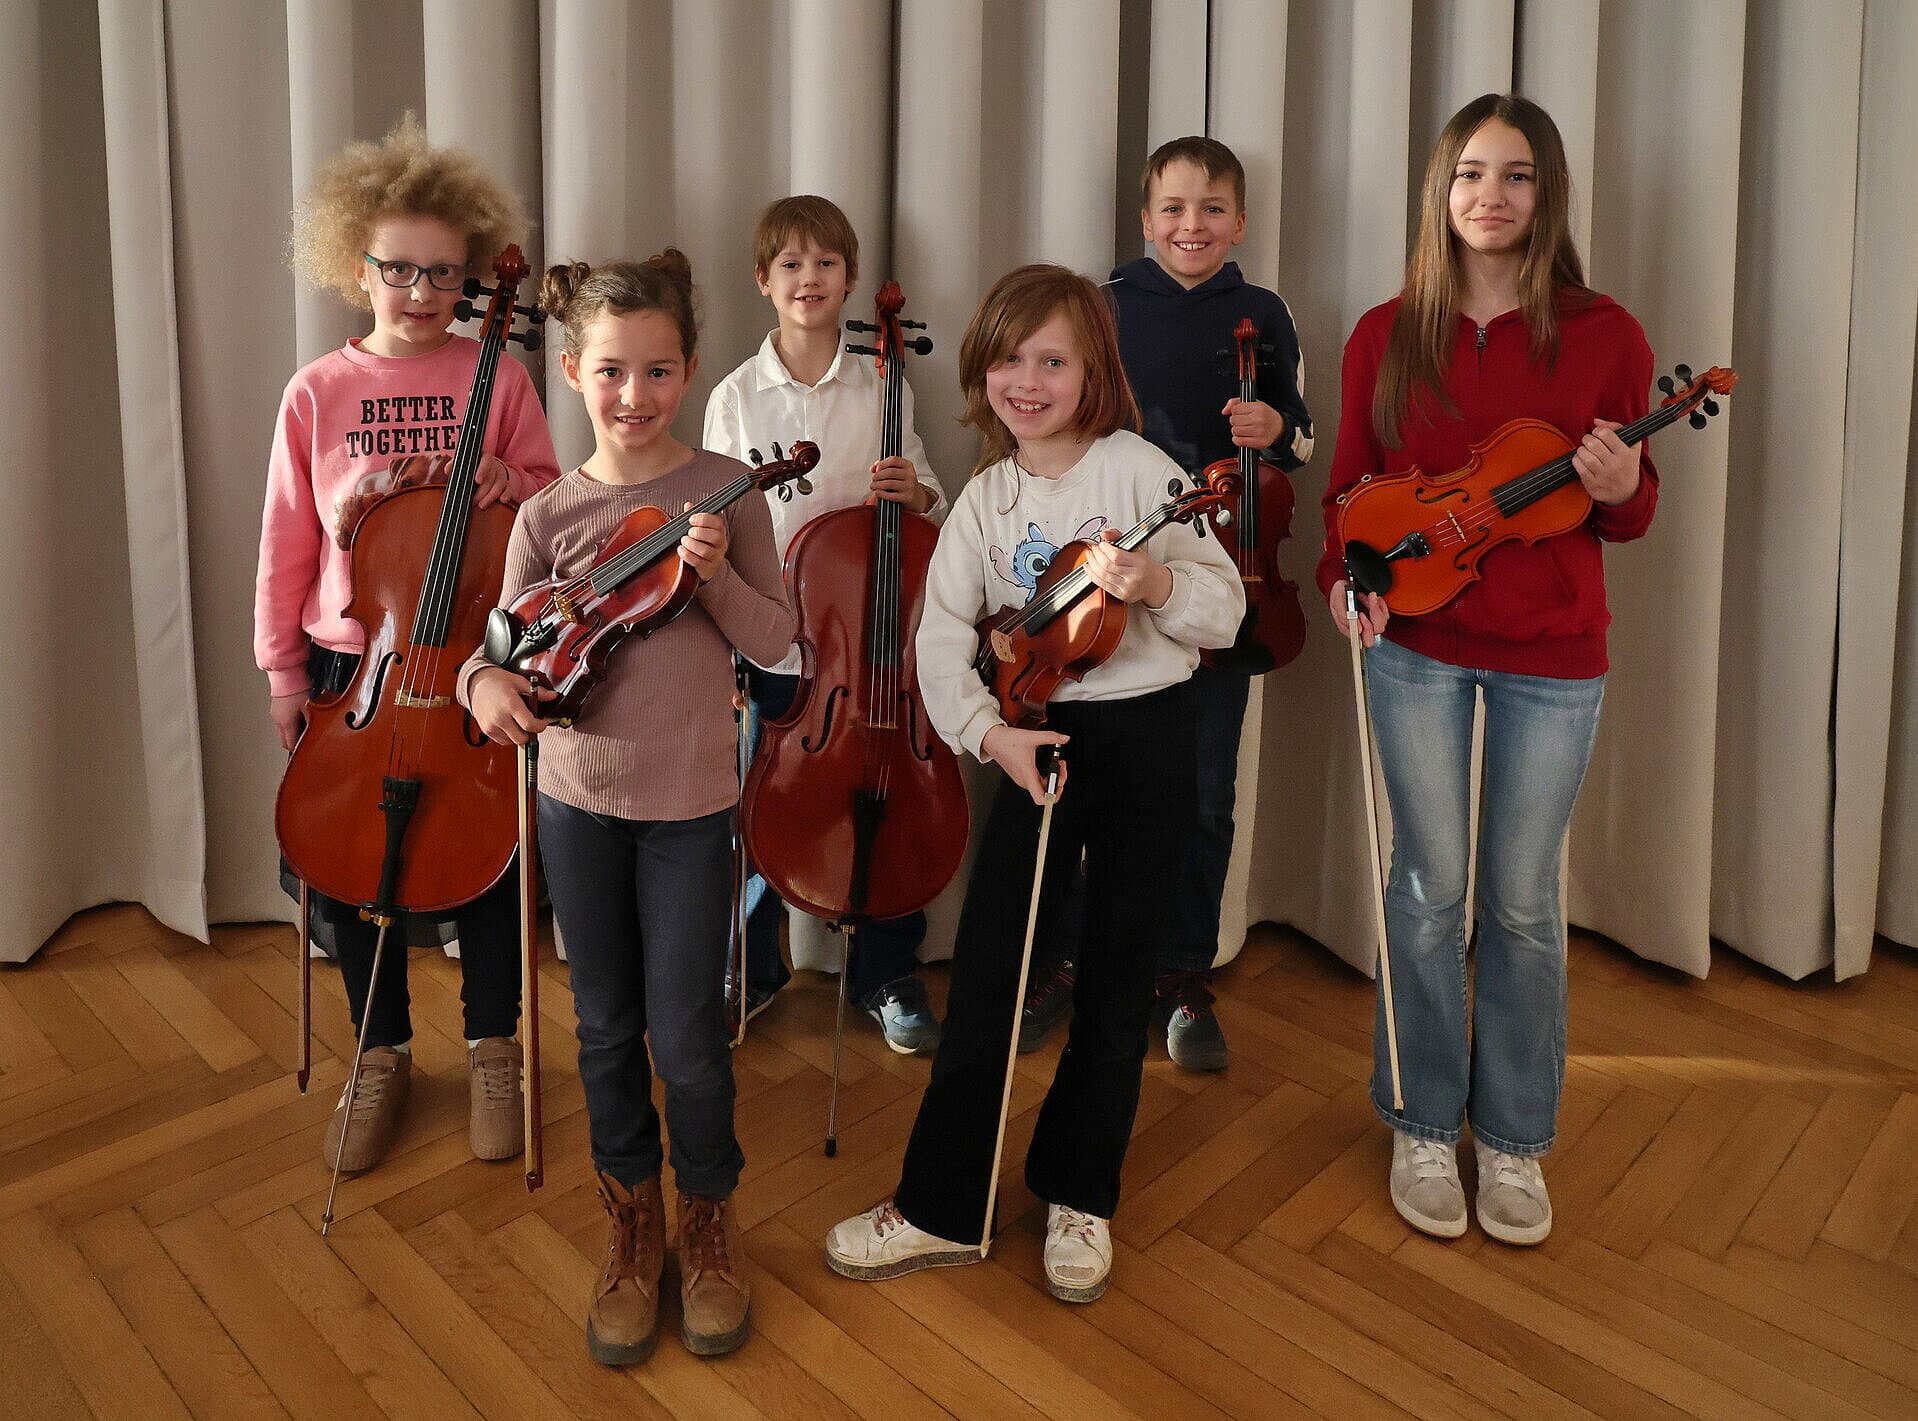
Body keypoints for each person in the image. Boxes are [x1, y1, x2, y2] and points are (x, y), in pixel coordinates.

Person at [824, 264, 1242, 1302]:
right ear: (982, 372)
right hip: (1037, 741)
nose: (1028, 380)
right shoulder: (987, 498)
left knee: (1117, 975)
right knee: (990, 980)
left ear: (1093, 370)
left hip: (1149, 737)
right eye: (1009, 359)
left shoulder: (1142, 473)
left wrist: (1157, 581)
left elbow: (1224, 609)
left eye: (1052, 360)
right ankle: (941, 1205)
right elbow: (937, 639)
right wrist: (989, 735)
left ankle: (1078, 1190)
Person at [1319, 94, 1659, 1246]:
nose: (1490, 196)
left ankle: (1512, 1137)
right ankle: (1422, 1120)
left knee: (1520, 901)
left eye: (1516, 175)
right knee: (1426, 889)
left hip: (1554, 655)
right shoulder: (1385, 332)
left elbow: (1629, 515)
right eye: (1469, 173)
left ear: (1545, 193)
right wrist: (1342, 579)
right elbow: (1351, 495)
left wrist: (1621, 486)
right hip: (1414, 646)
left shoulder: (1605, 335)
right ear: (1440, 190)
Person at [464, 252, 794, 1361]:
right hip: (577, 805)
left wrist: (713, 576)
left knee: (688, 1032)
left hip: (692, 806)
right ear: (572, 371)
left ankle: (707, 1214)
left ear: (690, 369)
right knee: (603, 1025)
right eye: (611, 370)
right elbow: (497, 647)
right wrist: (481, 686)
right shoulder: (550, 513)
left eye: (658, 371)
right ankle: (631, 1217)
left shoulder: (727, 489)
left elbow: (777, 639)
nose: (635, 394)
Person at [254, 114, 559, 1175]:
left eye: (442, 272)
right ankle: (378, 1050)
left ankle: (493, 1047)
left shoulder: (500, 378)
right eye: (399, 268)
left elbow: (549, 505)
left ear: (470, 277)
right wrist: (284, 673)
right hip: (358, 667)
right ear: (358, 267)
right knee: (347, 858)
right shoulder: (318, 391)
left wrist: (507, 479)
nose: (422, 291)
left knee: (485, 856)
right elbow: (287, 541)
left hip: (474, 660)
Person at [702, 195, 949, 1053]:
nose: (810, 278)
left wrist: (915, 492)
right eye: (792, 264)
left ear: (849, 279)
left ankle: (885, 970)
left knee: (886, 795)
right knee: (763, 805)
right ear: (763, 281)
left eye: (827, 263)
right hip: (773, 642)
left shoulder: (883, 383)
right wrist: (729, 646)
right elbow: (717, 524)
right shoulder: (736, 397)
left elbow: (930, 498)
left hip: (869, 649)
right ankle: (754, 966)